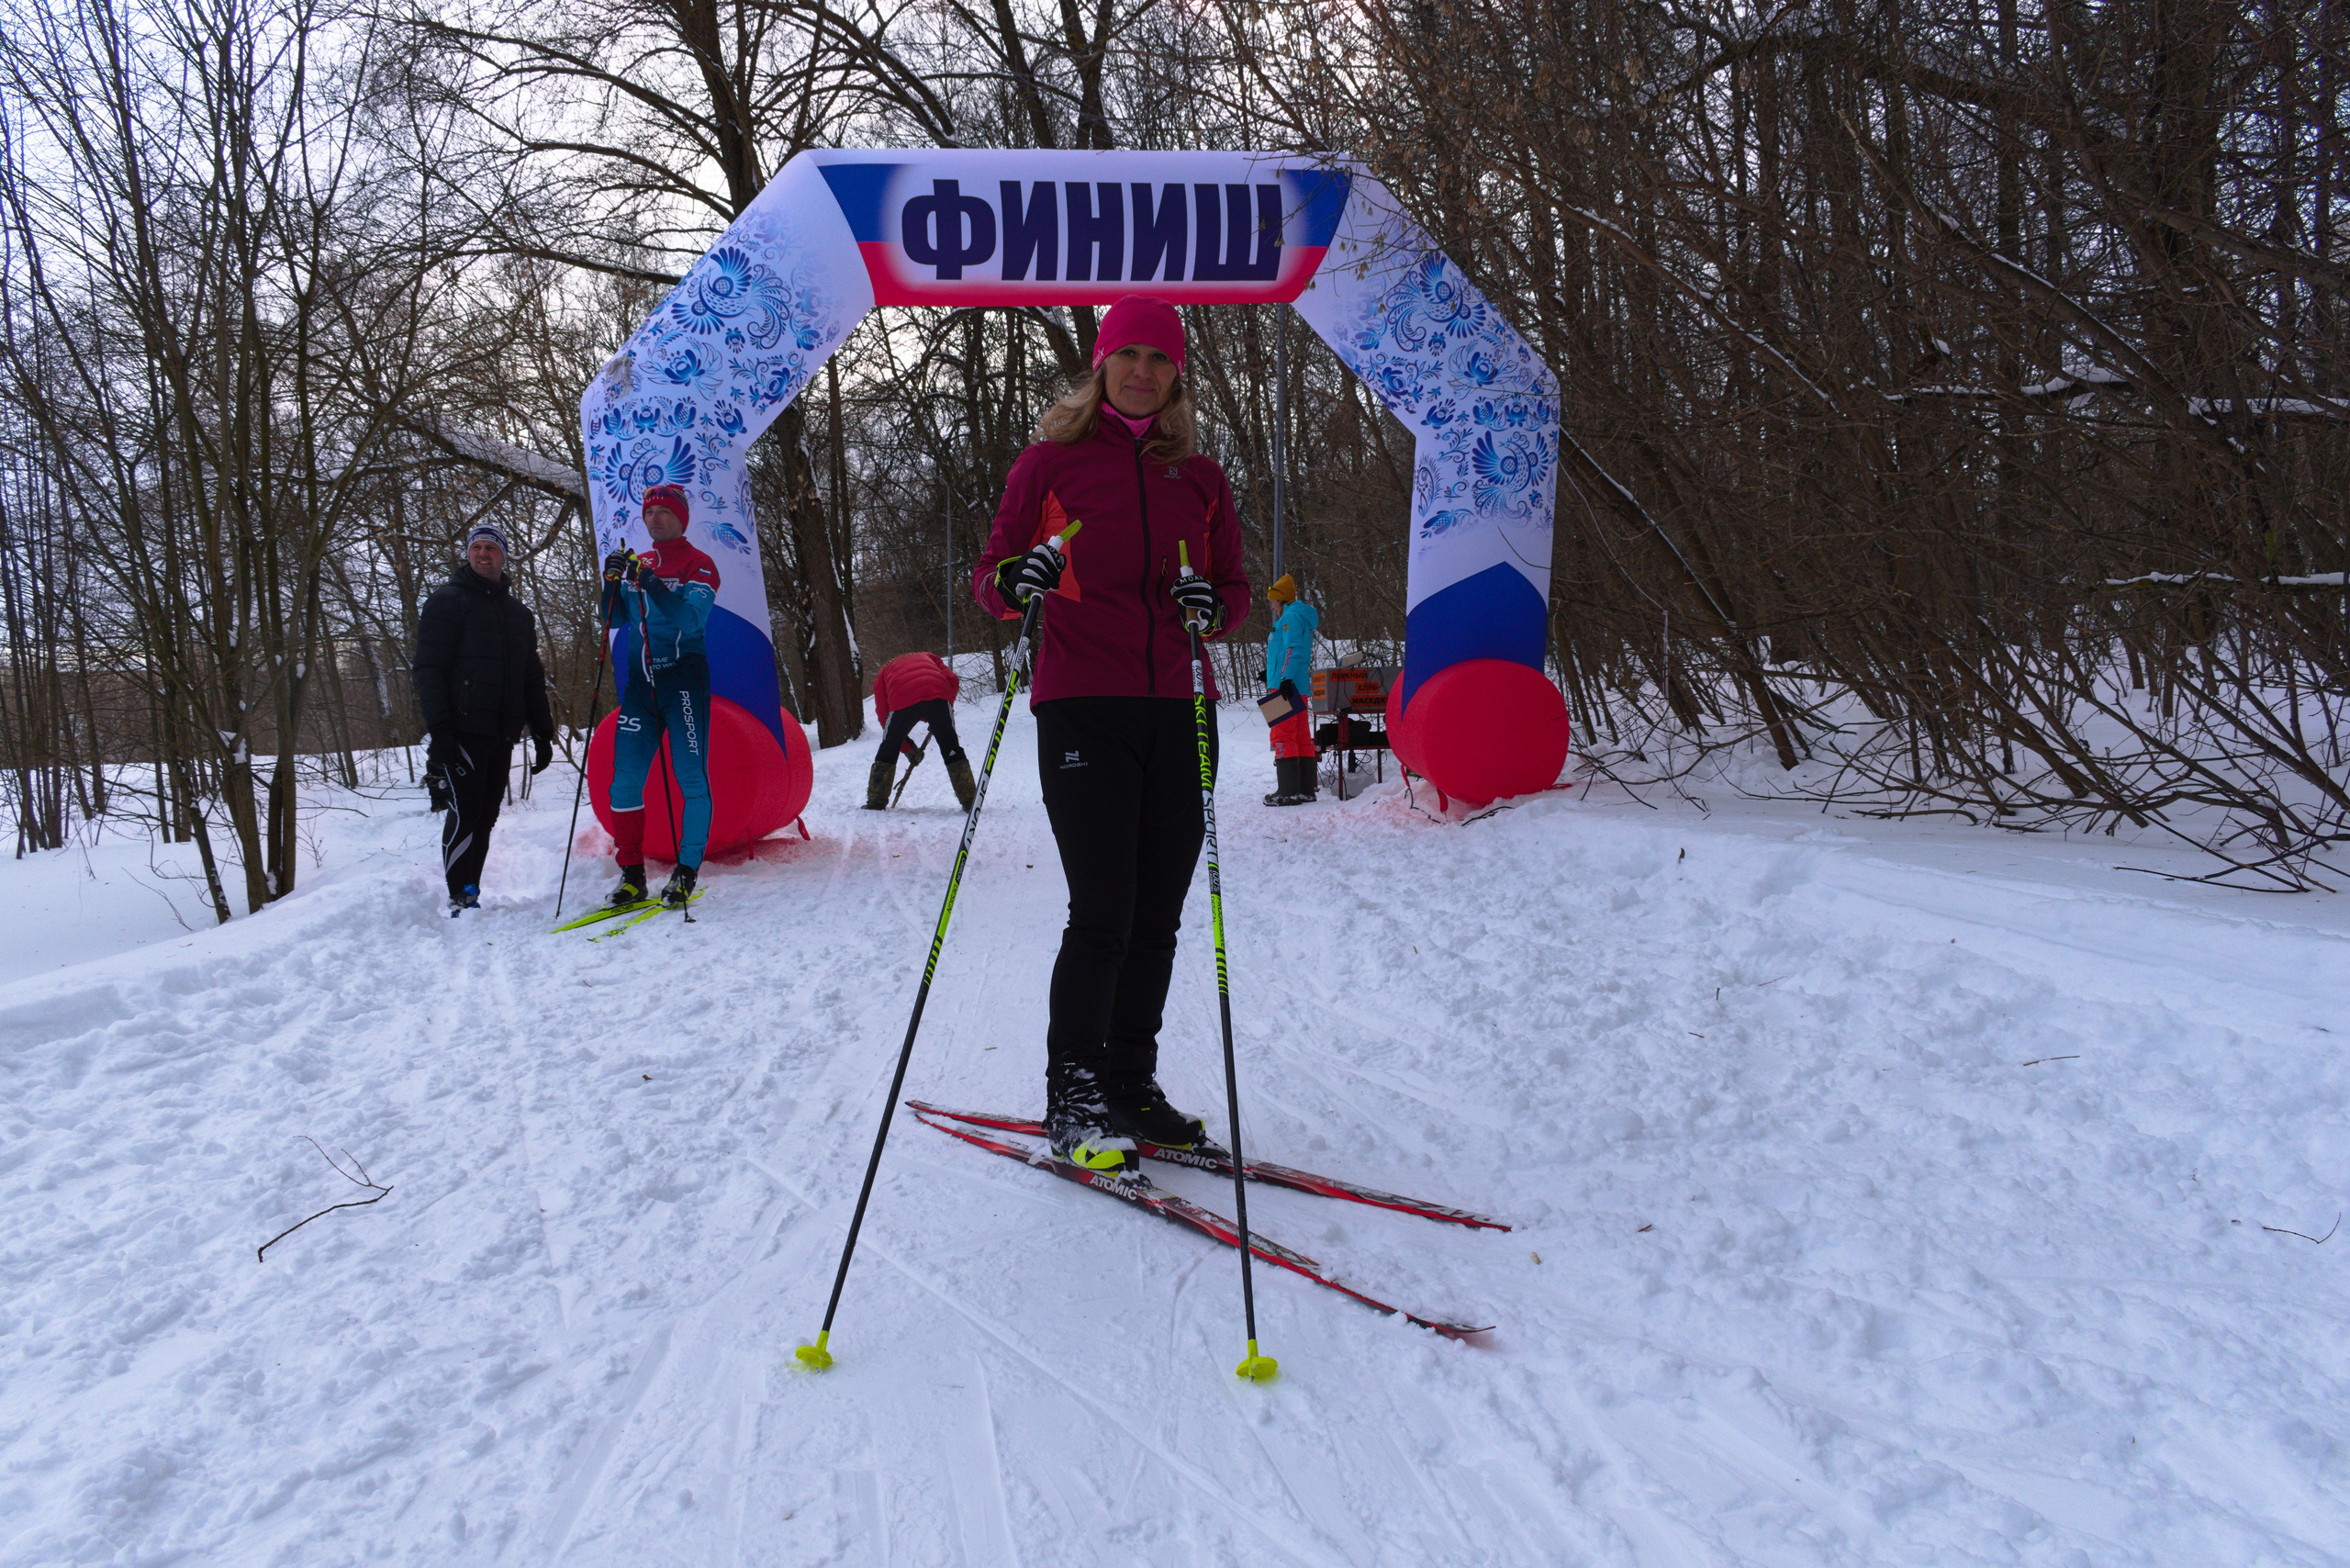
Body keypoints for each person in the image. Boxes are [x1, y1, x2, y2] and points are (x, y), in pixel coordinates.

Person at [973, 295, 1248, 1172]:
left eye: (1159, 359)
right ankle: (1075, 1096)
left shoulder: (1199, 477)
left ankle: (1131, 1081)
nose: (1142, 370)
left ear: (1176, 376)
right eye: (1127, 354)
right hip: (1082, 701)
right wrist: (1024, 578)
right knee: (1104, 911)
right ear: (1101, 366)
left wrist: (1215, 606)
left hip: (1179, 704)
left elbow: (1234, 588)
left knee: (1159, 914)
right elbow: (990, 579)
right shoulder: (1049, 464)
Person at [412, 520, 554, 916]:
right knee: (466, 813)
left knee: (488, 816)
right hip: (462, 731)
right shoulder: (447, 601)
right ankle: (460, 894)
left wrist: (541, 730)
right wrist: (439, 730)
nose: (483, 554)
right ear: (468, 554)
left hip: (502, 733)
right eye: (477, 548)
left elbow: (530, 675)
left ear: (503, 556)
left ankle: (471, 887)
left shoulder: (518, 614)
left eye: (491, 548)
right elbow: (428, 669)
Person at [599, 482, 720, 910]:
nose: (655, 518)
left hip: (682, 681)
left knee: (690, 777)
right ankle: (632, 875)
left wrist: (652, 584)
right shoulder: (641, 561)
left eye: (664, 512)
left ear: (681, 518)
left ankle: (686, 871)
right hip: (639, 687)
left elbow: (689, 620)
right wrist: (611, 580)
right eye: (649, 512)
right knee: (624, 782)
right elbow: (612, 617)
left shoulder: (700, 564)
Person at [865, 651, 976, 811]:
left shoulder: (884, 670)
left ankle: (876, 802)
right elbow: (952, 679)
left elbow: (884, 714)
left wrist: (907, 748)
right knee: (951, 748)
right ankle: (970, 800)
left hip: (902, 698)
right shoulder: (928, 656)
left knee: (889, 748)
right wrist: (940, 715)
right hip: (938, 695)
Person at [1261, 574, 1319, 807]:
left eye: (1274, 602)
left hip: (1285, 686)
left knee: (1282, 734)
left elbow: (1292, 651)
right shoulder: (1299, 617)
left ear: (1282, 600)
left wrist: (1282, 679)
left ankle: (1287, 792)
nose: (1272, 607)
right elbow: (1288, 651)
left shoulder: (1289, 618)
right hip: (1297, 685)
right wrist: (1270, 673)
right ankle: (1305, 790)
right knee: (1300, 736)